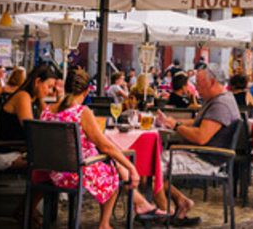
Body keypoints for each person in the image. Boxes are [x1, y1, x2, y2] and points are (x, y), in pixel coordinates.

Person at [42, 68, 168, 229]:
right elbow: (106, 146)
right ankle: (104, 224)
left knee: (110, 164)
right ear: (87, 91)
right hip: (76, 173)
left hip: (54, 172)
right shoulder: (82, 112)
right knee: (113, 174)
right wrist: (132, 168)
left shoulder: (47, 111)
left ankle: (140, 204)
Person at [157, 67, 240, 225]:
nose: (195, 88)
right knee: (150, 164)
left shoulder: (220, 105)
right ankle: (181, 202)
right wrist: (172, 122)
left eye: (199, 84)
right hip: (204, 156)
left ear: (213, 82)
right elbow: (199, 123)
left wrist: (176, 127)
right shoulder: (218, 99)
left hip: (206, 160)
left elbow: (201, 137)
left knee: (151, 167)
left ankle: (165, 215)